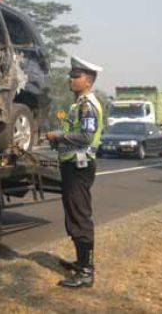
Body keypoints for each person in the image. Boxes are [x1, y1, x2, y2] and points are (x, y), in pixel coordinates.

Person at [45, 55, 103, 288]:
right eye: (71, 75)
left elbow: (86, 137)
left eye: (75, 76)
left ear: (88, 81)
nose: (71, 79)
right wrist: (56, 141)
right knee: (73, 215)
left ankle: (86, 272)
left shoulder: (88, 105)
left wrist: (59, 136)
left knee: (79, 216)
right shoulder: (77, 104)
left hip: (80, 167)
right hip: (71, 165)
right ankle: (80, 262)